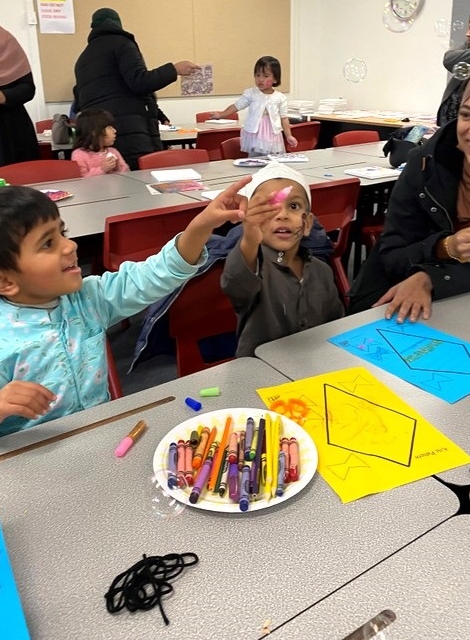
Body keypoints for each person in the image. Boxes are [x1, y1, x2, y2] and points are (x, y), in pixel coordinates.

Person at [0, 177, 250, 437]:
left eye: (62, 233)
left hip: (101, 434)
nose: (70, 245)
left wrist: (202, 224)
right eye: (48, 244)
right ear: (6, 281)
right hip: (30, 459)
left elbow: (156, 273)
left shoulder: (89, 298)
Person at [348, 61, 470, 323]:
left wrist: (430, 279)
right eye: (467, 115)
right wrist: (445, 247)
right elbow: (391, 255)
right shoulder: (426, 164)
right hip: (391, 304)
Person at [221, 162, 344, 356]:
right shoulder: (255, 267)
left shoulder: (322, 271)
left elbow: (336, 326)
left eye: (293, 206)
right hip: (261, 374)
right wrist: (249, 239)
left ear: (307, 223)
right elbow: (236, 282)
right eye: (268, 209)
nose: (282, 215)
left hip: (313, 368)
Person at [73, 7, 199, 170]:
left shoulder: (82, 59)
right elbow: (139, 82)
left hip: (100, 136)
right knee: (142, 180)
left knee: (114, 185)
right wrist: (174, 69)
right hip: (131, 130)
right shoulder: (122, 43)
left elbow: (80, 101)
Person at [211, 56, 296, 156]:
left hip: (272, 135)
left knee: (273, 159)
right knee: (254, 158)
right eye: (257, 75)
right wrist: (221, 115)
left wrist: (289, 135)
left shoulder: (280, 97)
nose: (260, 79)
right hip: (254, 134)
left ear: (275, 79)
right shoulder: (251, 93)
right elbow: (236, 106)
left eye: (265, 76)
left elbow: (284, 118)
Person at [0, 26, 40, 166]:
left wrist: (4, 96)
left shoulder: (5, 41)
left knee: (19, 177)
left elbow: (28, 88)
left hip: (11, 129)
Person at [71, 109, 130, 176]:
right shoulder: (79, 154)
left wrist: (118, 168)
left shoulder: (113, 151)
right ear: (94, 132)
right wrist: (102, 169)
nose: (114, 131)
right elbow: (81, 179)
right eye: (109, 128)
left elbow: (127, 171)